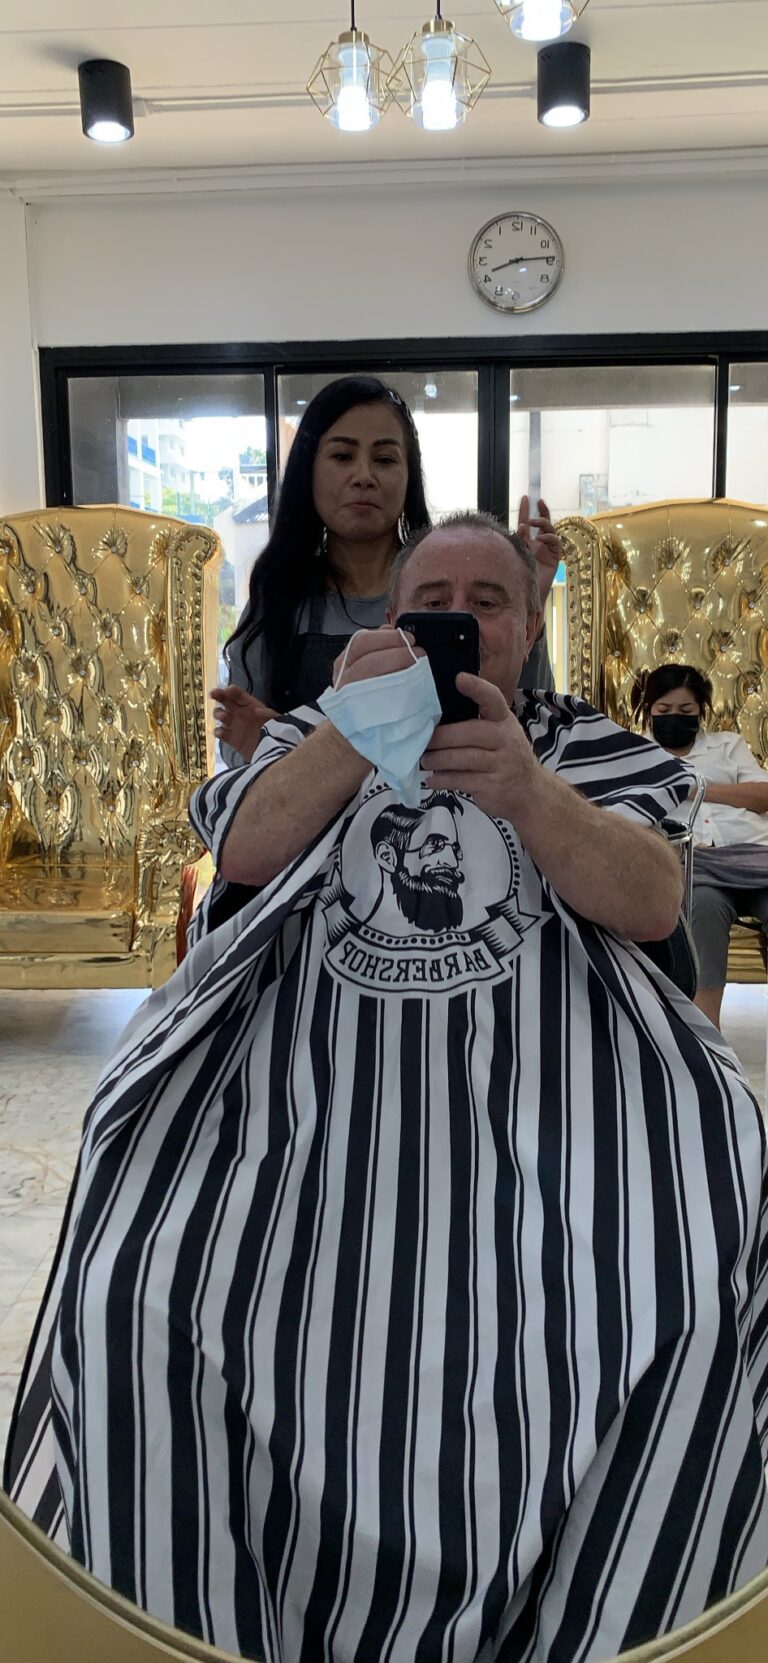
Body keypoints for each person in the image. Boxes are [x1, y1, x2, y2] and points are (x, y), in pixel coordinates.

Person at [7, 516, 768, 1663]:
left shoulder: (588, 745)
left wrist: (529, 792)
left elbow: (656, 896)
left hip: (555, 1086)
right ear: (392, 619)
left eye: (487, 600)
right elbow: (245, 851)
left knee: (681, 1277)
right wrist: (354, 737)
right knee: (141, 1286)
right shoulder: (324, 724)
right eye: (430, 600)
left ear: (528, 625)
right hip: (304, 1075)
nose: (458, 618)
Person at [213, 374, 560, 765]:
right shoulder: (277, 601)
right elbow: (239, 748)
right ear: (308, 471)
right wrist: (269, 746)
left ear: (410, 476)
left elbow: (527, 723)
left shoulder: (457, 586)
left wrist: (529, 597)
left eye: (384, 459)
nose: (364, 476)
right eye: (342, 456)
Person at [635, 662, 768, 1030]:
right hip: (695, 865)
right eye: (664, 710)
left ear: (701, 711)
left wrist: (700, 790)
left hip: (753, 857)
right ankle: (708, 1035)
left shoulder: (728, 746)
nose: (674, 717)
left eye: (686, 710)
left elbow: (763, 795)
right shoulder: (635, 753)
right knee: (702, 907)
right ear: (648, 710)